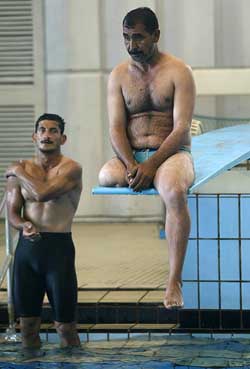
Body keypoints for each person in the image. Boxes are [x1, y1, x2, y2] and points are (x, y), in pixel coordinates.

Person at [98, 7, 195, 309]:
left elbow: (181, 128)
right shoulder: (118, 76)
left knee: (174, 191)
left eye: (138, 38)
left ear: (156, 35)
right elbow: (115, 129)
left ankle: (173, 280)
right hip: (134, 155)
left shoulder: (179, 71)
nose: (131, 45)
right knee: (105, 176)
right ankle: (136, 169)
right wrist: (131, 164)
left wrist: (151, 165)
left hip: (171, 153)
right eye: (126, 38)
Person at [5, 113, 82, 357]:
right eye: (42, 130)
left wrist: (17, 170)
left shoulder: (71, 169)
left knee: (66, 327)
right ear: (34, 136)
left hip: (58, 251)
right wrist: (23, 225)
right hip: (27, 252)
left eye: (53, 131)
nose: (47, 135)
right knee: (27, 327)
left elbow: (42, 194)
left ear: (63, 138)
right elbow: (12, 213)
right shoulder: (21, 171)